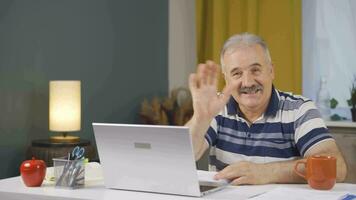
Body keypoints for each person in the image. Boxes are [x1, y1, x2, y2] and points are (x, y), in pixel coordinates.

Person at [187, 33, 347, 185]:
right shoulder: (217, 107)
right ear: (226, 79)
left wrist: (268, 172)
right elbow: (183, 156)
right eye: (237, 73)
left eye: (255, 70)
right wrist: (200, 119)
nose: (248, 82)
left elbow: (336, 168)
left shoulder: (299, 110)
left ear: (271, 71)